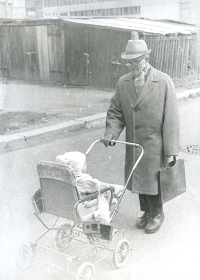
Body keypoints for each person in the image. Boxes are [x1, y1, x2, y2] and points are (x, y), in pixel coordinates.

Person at [102, 39, 180, 234]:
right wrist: (111, 132)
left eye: (135, 61)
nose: (131, 66)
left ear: (146, 58)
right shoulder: (123, 82)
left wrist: (171, 151)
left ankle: (157, 214)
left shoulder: (163, 81)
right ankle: (146, 213)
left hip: (155, 144)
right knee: (138, 179)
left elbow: (171, 118)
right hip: (134, 142)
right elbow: (116, 111)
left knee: (154, 181)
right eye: (128, 62)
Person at [56, 151, 124, 199]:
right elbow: (98, 186)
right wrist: (115, 188)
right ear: (78, 168)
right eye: (84, 164)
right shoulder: (84, 180)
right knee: (117, 192)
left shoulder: (62, 179)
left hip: (68, 203)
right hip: (85, 206)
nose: (86, 166)